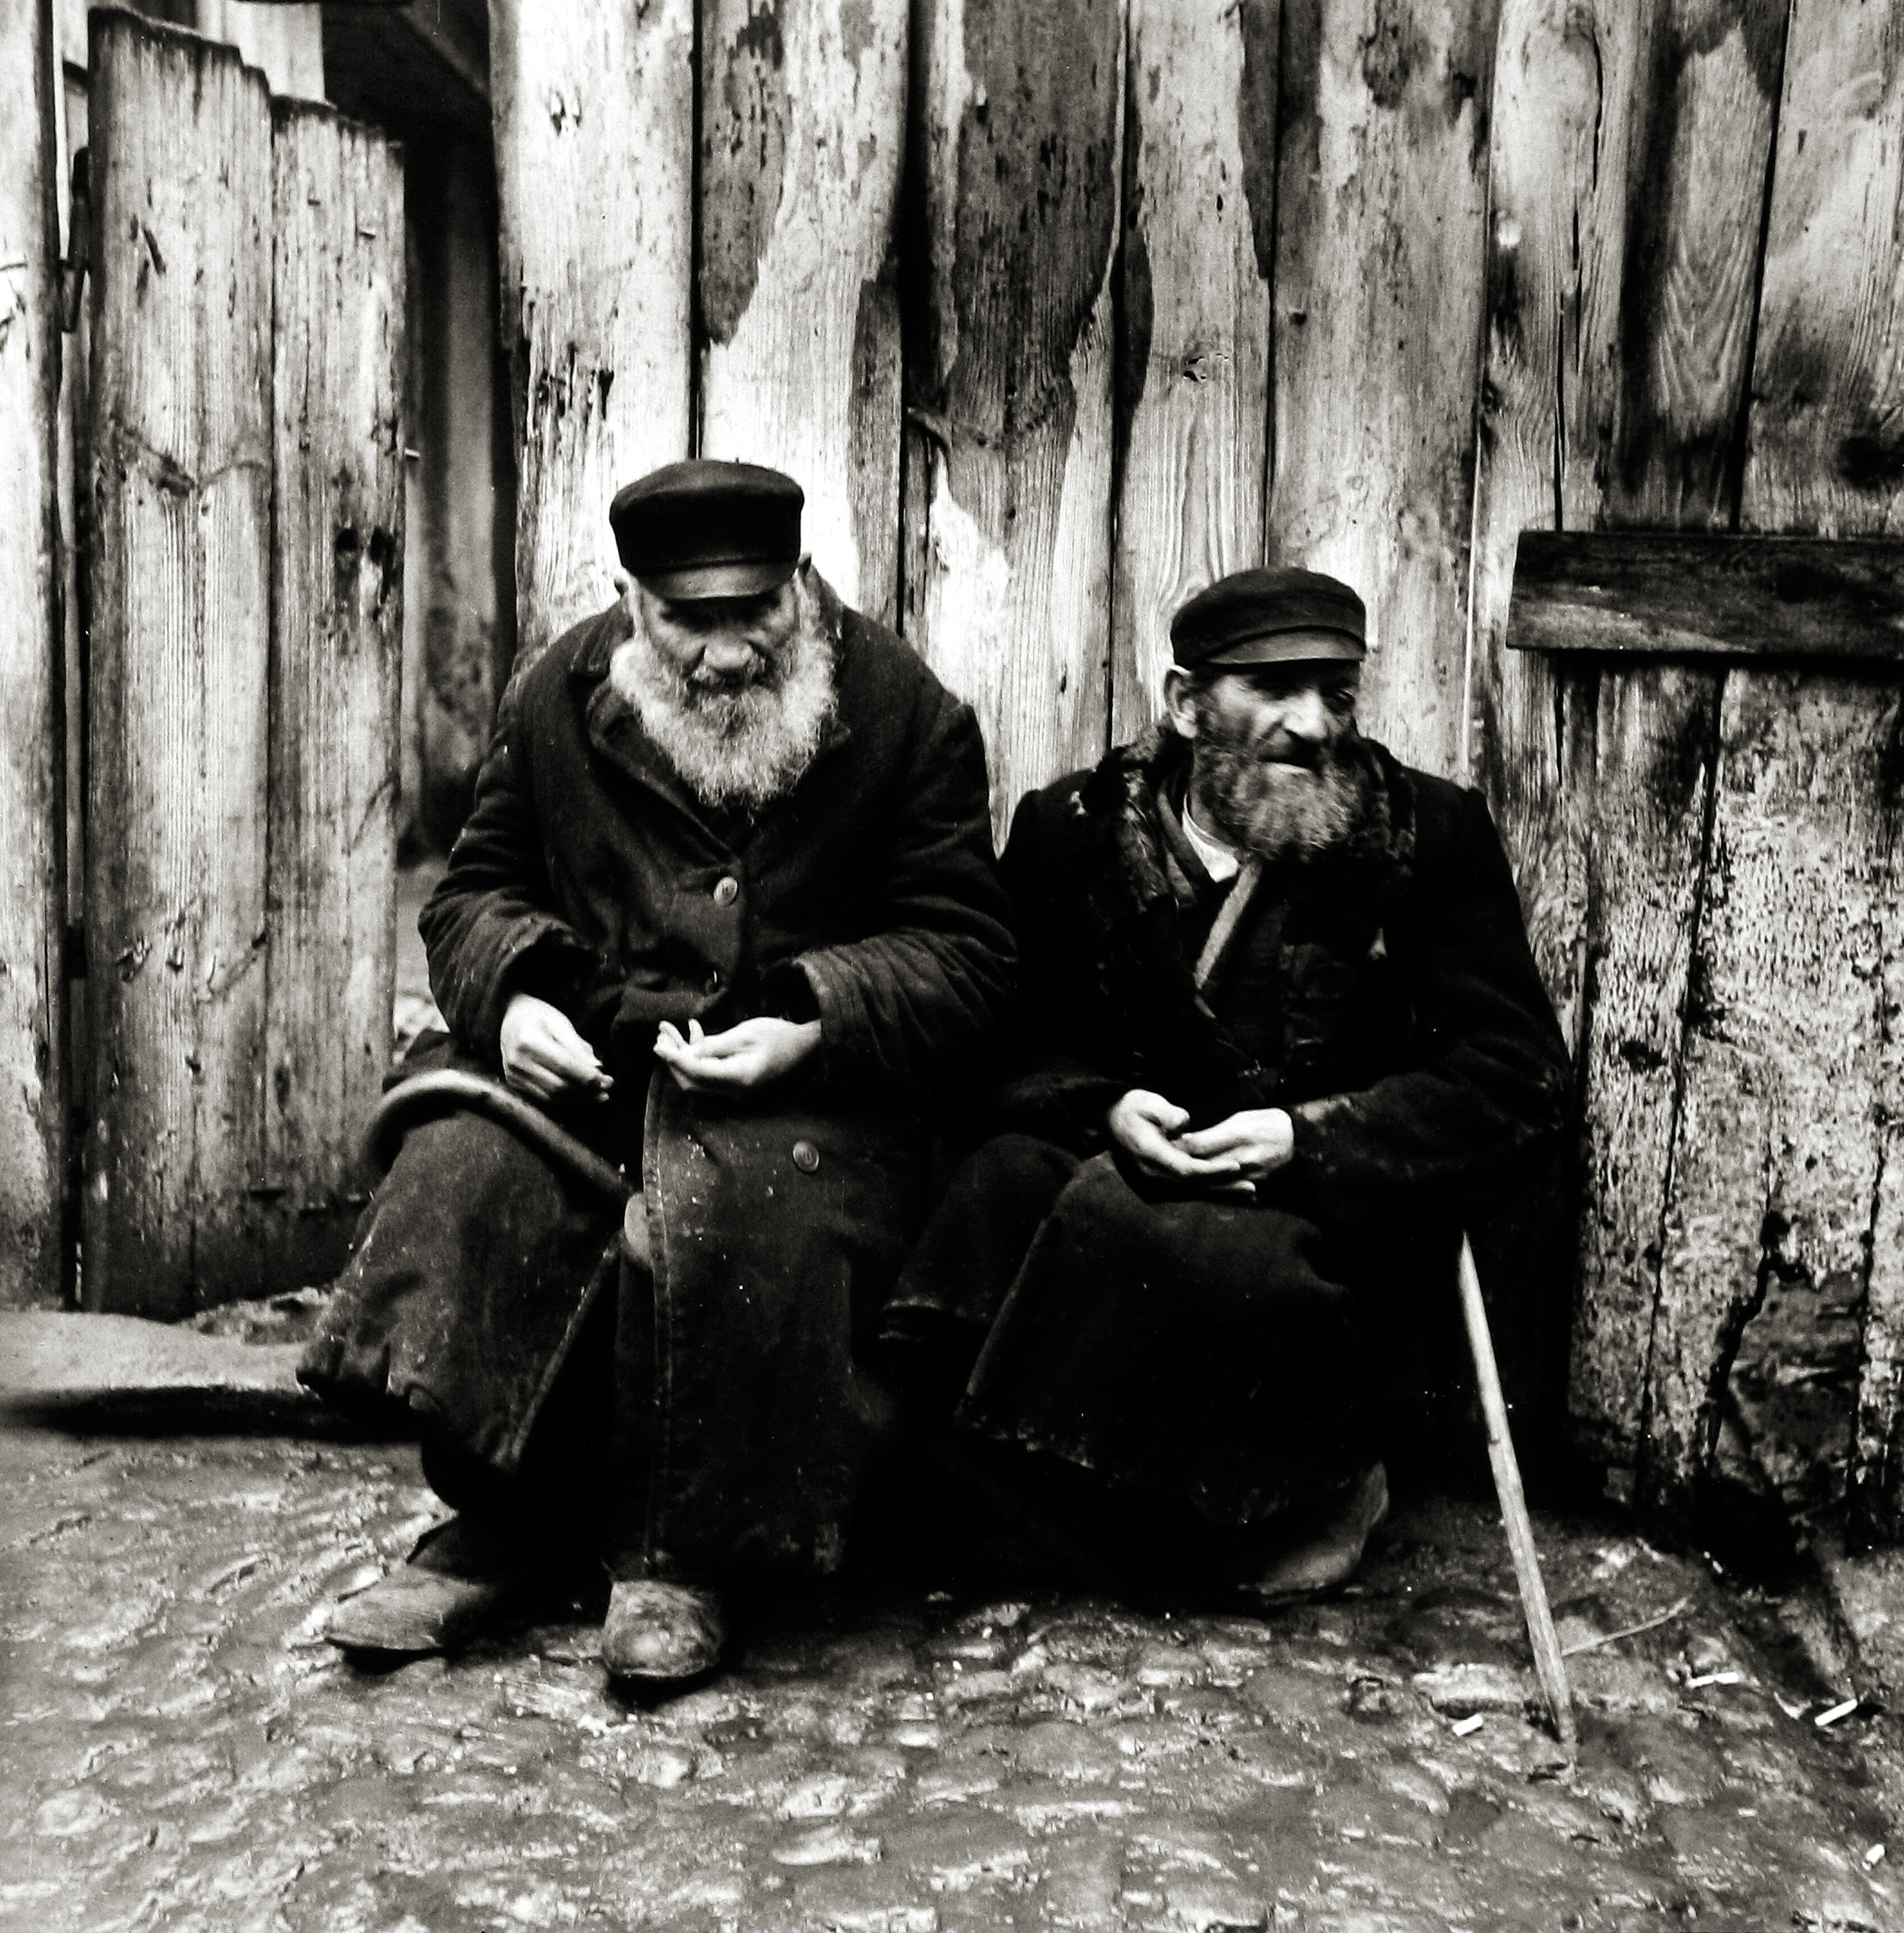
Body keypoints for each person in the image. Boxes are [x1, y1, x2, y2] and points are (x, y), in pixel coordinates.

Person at [300, 460, 1015, 1680]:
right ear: (632, 601)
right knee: (471, 1167)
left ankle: (684, 1557)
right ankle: (499, 1528)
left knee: (738, 1223)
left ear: (802, 583)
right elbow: (476, 892)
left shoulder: (904, 714)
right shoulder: (553, 698)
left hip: (803, 1103)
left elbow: (968, 952)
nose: (730, 653)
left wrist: (820, 1018)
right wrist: (517, 991)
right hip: (599, 1078)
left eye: (758, 613)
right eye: (692, 620)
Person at [882, 565, 1572, 1598]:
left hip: (1307, 1206)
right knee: (995, 1195)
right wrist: (1101, 1107)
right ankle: (1081, 1513)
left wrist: (1309, 1137)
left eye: (1335, 691)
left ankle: (1311, 1491)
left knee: (1209, 1263)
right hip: (1120, 1157)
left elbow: (1517, 1080)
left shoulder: (1420, 836)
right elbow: (995, 1042)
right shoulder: (1071, 831)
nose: (1311, 724)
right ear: (1184, 701)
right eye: (1272, 688)